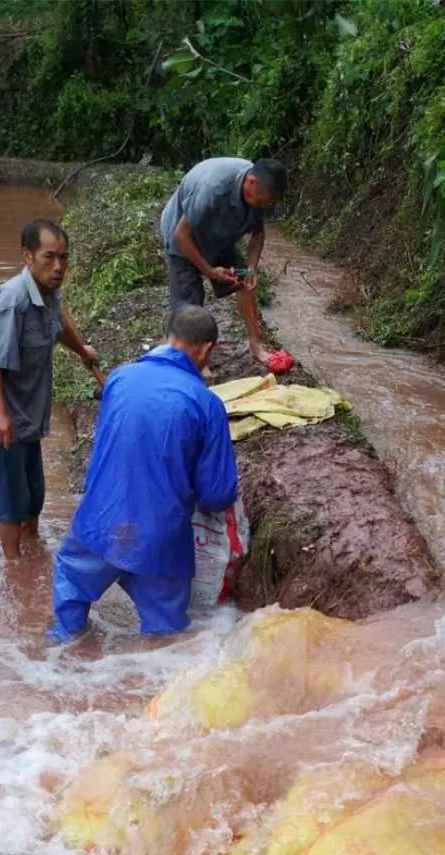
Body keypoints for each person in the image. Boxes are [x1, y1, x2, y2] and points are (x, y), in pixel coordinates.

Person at [49, 306, 238, 640]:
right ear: (206, 349)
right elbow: (216, 494)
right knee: (165, 638)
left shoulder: (119, 378)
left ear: (169, 336)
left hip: (98, 525)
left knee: (70, 605)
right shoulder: (207, 404)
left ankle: (60, 652)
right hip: (159, 538)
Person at [0, 219, 98, 559]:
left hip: (27, 417)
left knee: (34, 495)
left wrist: (82, 350)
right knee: (11, 500)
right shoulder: (12, 302)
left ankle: (34, 553)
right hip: (1, 420)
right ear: (27, 256)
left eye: (64, 258)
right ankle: (15, 573)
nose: (58, 267)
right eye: (49, 257)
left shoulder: (50, 292)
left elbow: (61, 322)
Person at [160, 156, 288, 367]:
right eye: (261, 201)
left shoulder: (259, 191)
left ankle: (255, 345)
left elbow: (258, 234)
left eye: (266, 203)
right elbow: (181, 236)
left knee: (245, 282)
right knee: (189, 305)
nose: (262, 206)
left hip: (220, 234)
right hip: (182, 237)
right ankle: (191, 361)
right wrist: (209, 271)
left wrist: (251, 269)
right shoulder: (213, 188)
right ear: (251, 182)